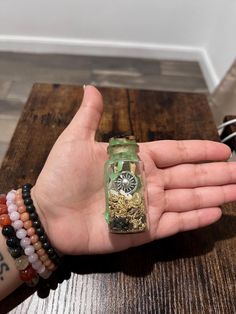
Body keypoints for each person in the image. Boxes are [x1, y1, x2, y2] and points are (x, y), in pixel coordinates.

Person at [0, 86, 235, 301]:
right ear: (114, 153)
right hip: (109, 225)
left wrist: (41, 218)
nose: (123, 155)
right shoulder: (112, 166)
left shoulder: (134, 165)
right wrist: (43, 211)